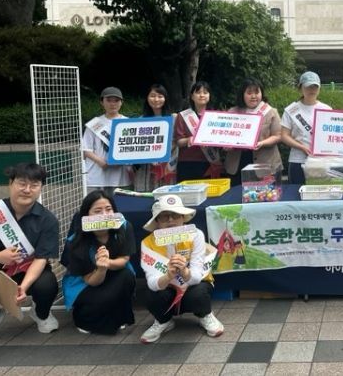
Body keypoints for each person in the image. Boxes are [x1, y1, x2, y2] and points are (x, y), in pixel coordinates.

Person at [140, 195, 223, 343]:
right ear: (157, 221)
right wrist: (167, 276)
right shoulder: (147, 243)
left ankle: (205, 315)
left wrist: (184, 271)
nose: (170, 220)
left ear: (183, 217)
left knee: (199, 293)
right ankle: (163, 321)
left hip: (193, 284)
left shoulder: (196, 235)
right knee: (150, 294)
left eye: (175, 215)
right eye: (164, 216)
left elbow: (197, 276)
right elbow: (152, 283)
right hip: (168, 287)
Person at [0, 163, 60, 341]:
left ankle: (40, 313)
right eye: (22, 183)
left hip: (30, 270)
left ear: (41, 188)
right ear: (10, 183)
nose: (27, 190)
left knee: (48, 284)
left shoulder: (48, 220)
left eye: (34, 185)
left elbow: (41, 259)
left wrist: (23, 287)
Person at [61, 190, 136, 334]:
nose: (104, 215)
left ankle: (117, 316)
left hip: (114, 272)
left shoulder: (124, 226)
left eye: (108, 209)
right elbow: (91, 281)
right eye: (97, 211)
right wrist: (101, 269)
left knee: (126, 275)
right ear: (86, 215)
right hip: (85, 284)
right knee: (94, 308)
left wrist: (108, 263)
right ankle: (84, 318)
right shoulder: (76, 242)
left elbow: (124, 259)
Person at [224, 78, 283, 185]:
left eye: (257, 92)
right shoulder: (232, 112)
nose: (253, 96)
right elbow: (224, 136)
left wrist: (262, 143)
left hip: (265, 164)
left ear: (262, 93)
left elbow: (278, 135)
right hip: (237, 163)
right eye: (249, 93)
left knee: (265, 194)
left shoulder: (270, 112)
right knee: (236, 194)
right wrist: (226, 144)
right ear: (242, 94)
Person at [281, 71, 331, 184]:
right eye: (308, 87)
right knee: (296, 191)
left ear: (319, 89)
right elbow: (284, 135)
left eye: (315, 87)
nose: (312, 90)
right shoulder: (291, 110)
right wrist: (301, 147)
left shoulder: (327, 109)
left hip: (321, 161)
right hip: (297, 159)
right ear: (300, 88)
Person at [82, 86, 131, 197]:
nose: (112, 104)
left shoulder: (128, 123)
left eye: (116, 100)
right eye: (109, 100)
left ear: (121, 102)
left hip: (120, 176)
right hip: (97, 176)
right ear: (102, 102)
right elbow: (86, 149)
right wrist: (101, 162)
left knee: (119, 206)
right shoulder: (95, 123)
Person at [175, 81, 222, 181]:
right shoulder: (183, 116)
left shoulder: (217, 116)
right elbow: (178, 141)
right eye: (198, 92)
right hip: (187, 162)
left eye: (205, 92)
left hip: (210, 162)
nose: (202, 95)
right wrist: (189, 140)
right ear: (192, 96)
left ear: (209, 96)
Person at [134, 84, 177, 191]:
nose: (156, 99)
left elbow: (177, 140)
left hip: (168, 165)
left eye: (160, 96)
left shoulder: (174, 118)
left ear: (165, 98)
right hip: (146, 167)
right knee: (145, 196)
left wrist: (162, 153)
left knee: (167, 196)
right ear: (147, 98)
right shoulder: (140, 120)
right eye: (152, 96)